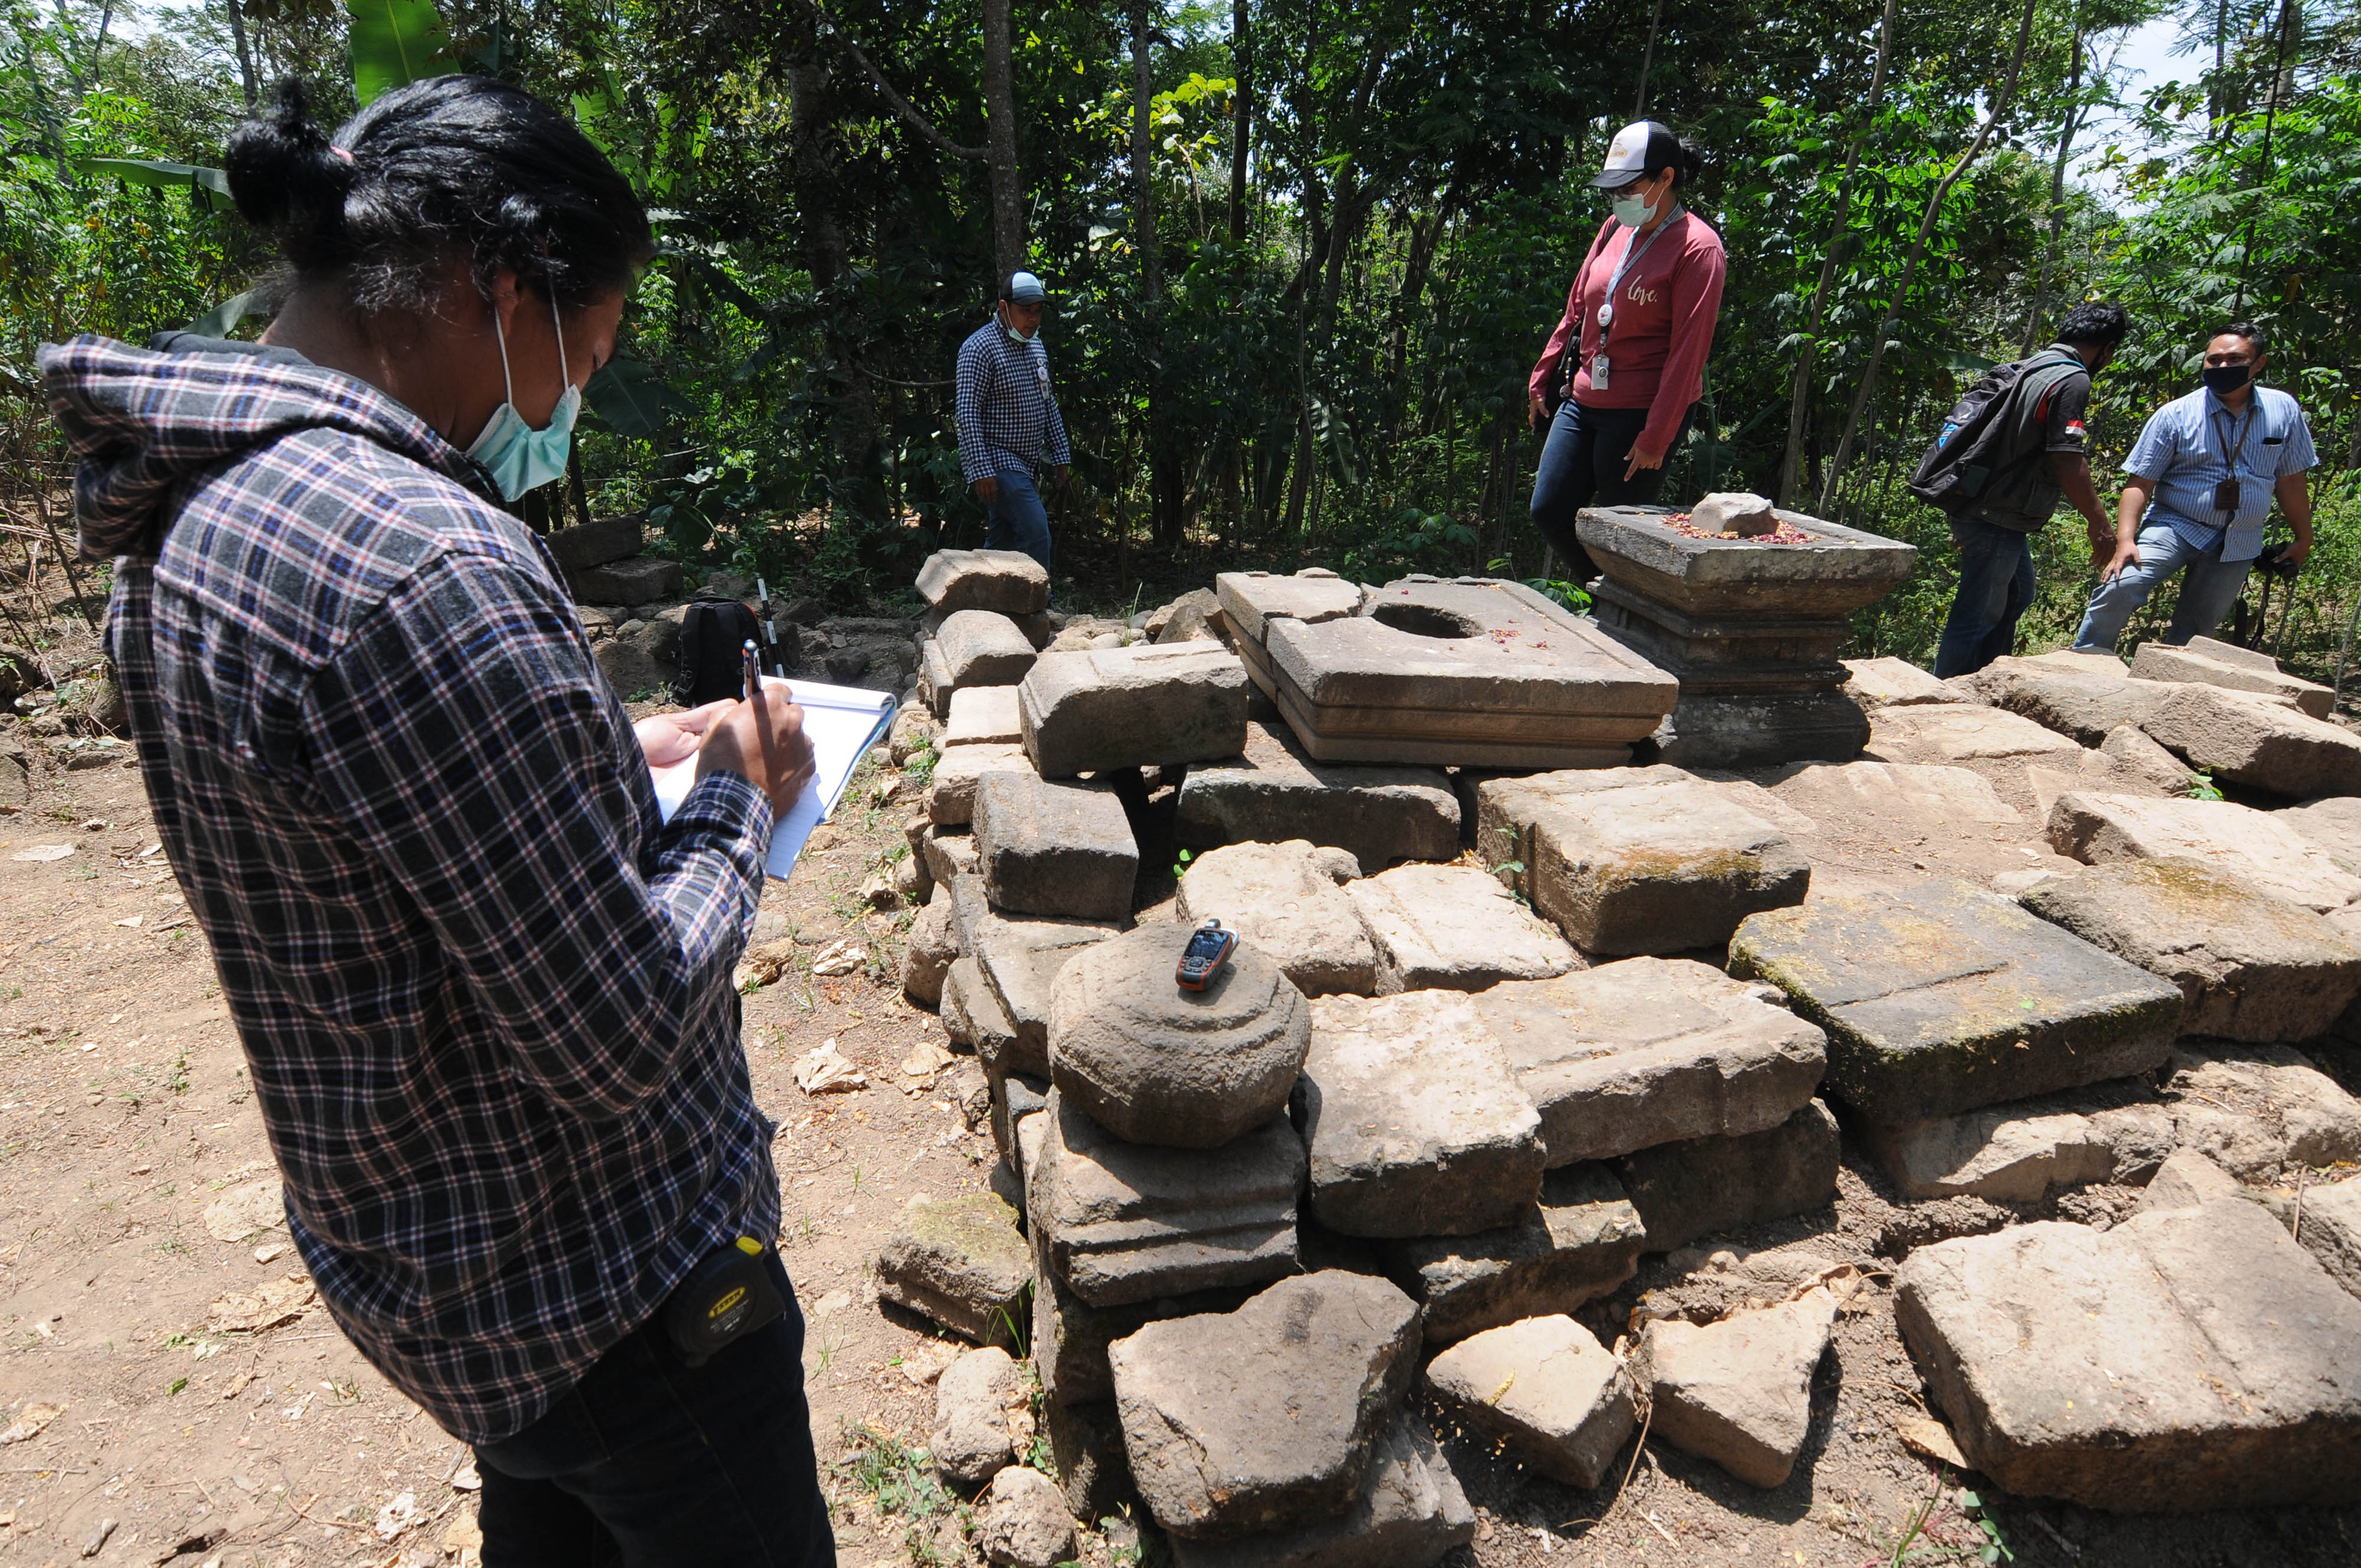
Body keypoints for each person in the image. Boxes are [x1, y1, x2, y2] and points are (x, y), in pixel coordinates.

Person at [41, 78, 835, 1568]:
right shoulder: (427, 565)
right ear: (502, 288)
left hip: (433, 1260)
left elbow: (359, 799)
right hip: (617, 1281)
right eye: (582, 354)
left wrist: (603, 743)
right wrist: (738, 790)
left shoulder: (191, 521)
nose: (568, 399)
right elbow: (616, 1035)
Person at [1528, 120, 1728, 580]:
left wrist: (1657, 434)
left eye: (1628, 188)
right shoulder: (1613, 229)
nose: (1619, 199)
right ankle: (1600, 591)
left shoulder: (1699, 249)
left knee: (1621, 530)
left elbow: (1688, 353)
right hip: (1583, 399)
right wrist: (1543, 373)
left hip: (1640, 412)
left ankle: (1616, 605)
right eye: (1613, 190)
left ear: (1666, 179)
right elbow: (1577, 308)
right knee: (1551, 509)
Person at [2072, 323, 2318, 654]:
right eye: (2214, 360)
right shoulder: (2175, 415)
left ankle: (2171, 680)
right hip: (2176, 524)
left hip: (2241, 537)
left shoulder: (2283, 410)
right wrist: (2126, 541)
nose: (2223, 366)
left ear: (2259, 363)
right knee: (2122, 584)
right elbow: (2140, 482)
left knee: (2198, 628)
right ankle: (2088, 658)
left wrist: (2304, 537)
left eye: (2236, 359)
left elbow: (2290, 480)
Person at [1930, 301, 2131, 677]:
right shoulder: (2072, 379)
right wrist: (2099, 523)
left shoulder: (2030, 366)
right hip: (1995, 513)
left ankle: (1986, 678)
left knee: (2017, 594)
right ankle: (1945, 691)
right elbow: (2067, 458)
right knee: (1979, 613)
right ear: (2107, 350)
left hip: (1988, 506)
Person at [956, 270, 1070, 578]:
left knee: (1001, 545)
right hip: (998, 460)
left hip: (1027, 463)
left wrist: (1060, 455)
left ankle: (981, 600)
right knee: (1035, 530)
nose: (1033, 319)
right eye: (1025, 311)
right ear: (1004, 308)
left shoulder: (1036, 347)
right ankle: (1040, 601)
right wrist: (981, 469)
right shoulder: (979, 348)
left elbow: (1048, 403)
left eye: (1038, 311)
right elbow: (967, 412)